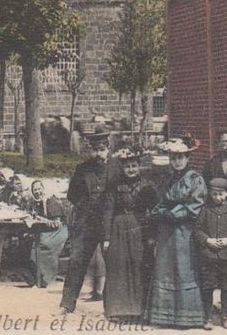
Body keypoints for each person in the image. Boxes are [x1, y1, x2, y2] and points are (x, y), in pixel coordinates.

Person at [147, 137, 207, 328]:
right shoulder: (167, 178)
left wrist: (173, 213)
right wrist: (159, 211)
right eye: (174, 158)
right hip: (166, 230)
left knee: (183, 268)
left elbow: (195, 205)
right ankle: (164, 315)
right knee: (165, 268)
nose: (177, 161)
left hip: (184, 230)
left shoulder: (195, 179)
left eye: (181, 157)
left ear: (188, 158)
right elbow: (161, 200)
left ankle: (187, 316)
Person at [60, 133, 115, 314]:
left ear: (108, 149)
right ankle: (67, 304)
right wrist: (86, 206)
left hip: (109, 224)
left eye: (102, 150)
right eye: (95, 150)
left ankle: (114, 306)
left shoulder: (115, 168)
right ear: (89, 150)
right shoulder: (82, 169)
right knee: (77, 262)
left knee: (114, 263)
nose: (98, 154)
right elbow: (72, 195)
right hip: (86, 224)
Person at [101, 148, 158, 320]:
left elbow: (155, 210)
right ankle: (119, 310)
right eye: (127, 166)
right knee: (119, 268)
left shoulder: (148, 186)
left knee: (139, 267)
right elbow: (108, 212)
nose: (131, 169)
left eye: (134, 166)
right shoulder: (114, 186)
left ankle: (140, 310)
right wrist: (106, 238)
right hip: (118, 229)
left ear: (139, 166)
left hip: (140, 228)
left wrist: (153, 235)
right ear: (122, 168)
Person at [195, 178, 227, 329]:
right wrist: (207, 240)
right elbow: (197, 230)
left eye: (221, 194)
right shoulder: (205, 210)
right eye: (214, 194)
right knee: (208, 286)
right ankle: (207, 317)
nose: (217, 198)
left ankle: (225, 316)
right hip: (209, 256)